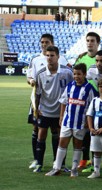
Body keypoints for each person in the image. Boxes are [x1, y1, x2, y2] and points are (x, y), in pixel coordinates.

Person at [45, 63, 97, 177]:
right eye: (74, 74)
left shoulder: (89, 89)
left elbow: (93, 107)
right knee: (62, 143)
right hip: (67, 121)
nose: (76, 76)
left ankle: (74, 169)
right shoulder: (69, 86)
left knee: (77, 145)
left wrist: (89, 123)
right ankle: (56, 168)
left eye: (79, 74)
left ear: (84, 74)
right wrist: (61, 116)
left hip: (81, 123)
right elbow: (64, 102)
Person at [27, 34, 70, 170]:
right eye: (48, 56)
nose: (49, 58)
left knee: (59, 136)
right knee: (41, 134)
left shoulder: (67, 73)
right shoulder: (40, 73)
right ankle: (39, 163)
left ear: (58, 57)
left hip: (60, 110)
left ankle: (59, 164)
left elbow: (70, 90)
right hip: (45, 109)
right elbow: (38, 93)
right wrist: (36, 109)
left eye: (52, 55)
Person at [75, 32, 101, 171]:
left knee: (96, 128)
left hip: (98, 97)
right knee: (84, 129)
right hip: (83, 98)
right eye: (88, 41)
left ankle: (99, 160)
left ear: (98, 43)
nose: (90, 43)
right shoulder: (81, 59)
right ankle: (85, 159)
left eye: (92, 41)